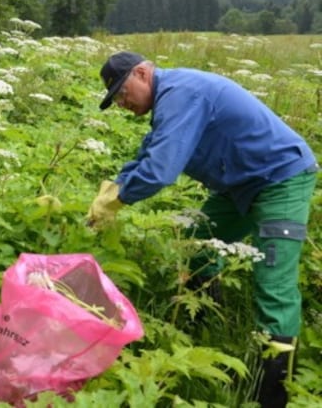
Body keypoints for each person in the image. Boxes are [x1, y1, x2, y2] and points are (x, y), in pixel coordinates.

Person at [87, 51, 317, 408]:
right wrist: (115, 185)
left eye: (122, 91)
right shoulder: (170, 101)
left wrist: (118, 199)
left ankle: (271, 396)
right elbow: (149, 153)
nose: (121, 102)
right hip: (239, 186)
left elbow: (160, 171)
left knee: (274, 286)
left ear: (143, 73)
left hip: (281, 180)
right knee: (198, 247)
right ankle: (207, 332)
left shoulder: (183, 93)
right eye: (115, 98)